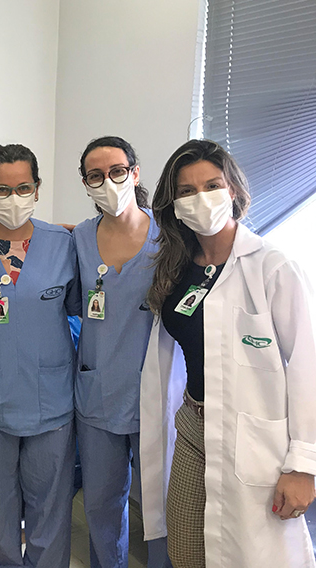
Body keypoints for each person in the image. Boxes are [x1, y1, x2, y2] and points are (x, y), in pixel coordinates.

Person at [140, 139, 316, 568]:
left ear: (232, 190)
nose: (201, 198)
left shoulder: (271, 267)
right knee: (185, 551)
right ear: (173, 204)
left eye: (212, 185)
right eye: (186, 191)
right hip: (192, 425)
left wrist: (303, 466)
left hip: (253, 437)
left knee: (249, 556)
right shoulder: (178, 267)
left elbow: (308, 365)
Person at [0, 144, 81, 567]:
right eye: (2, 189)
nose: (13, 198)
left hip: (51, 397)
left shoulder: (62, 244)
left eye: (23, 188)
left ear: (37, 188)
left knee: (50, 506)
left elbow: (78, 310)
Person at [72, 136, 171, 568]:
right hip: (98, 393)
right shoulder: (78, 238)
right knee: (101, 504)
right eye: (96, 176)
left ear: (134, 173)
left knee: (161, 507)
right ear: (85, 183)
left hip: (155, 395)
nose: (108, 182)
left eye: (117, 171)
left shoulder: (169, 236)